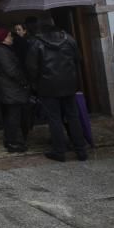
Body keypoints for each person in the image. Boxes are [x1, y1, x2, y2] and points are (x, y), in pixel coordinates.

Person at [26, 16, 87, 162]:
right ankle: (81, 150)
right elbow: (78, 58)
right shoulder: (69, 39)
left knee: (55, 119)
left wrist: (35, 84)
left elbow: (31, 67)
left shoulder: (36, 43)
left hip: (48, 86)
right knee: (73, 117)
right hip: (68, 84)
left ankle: (59, 151)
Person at [0, 26, 31, 153]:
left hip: (11, 90)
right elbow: (11, 71)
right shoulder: (0, 51)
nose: (11, 37)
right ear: (2, 39)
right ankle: (14, 143)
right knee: (14, 118)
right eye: (8, 36)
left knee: (13, 117)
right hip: (11, 90)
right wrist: (24, 81)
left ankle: (11, 141)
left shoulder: (4, 49)